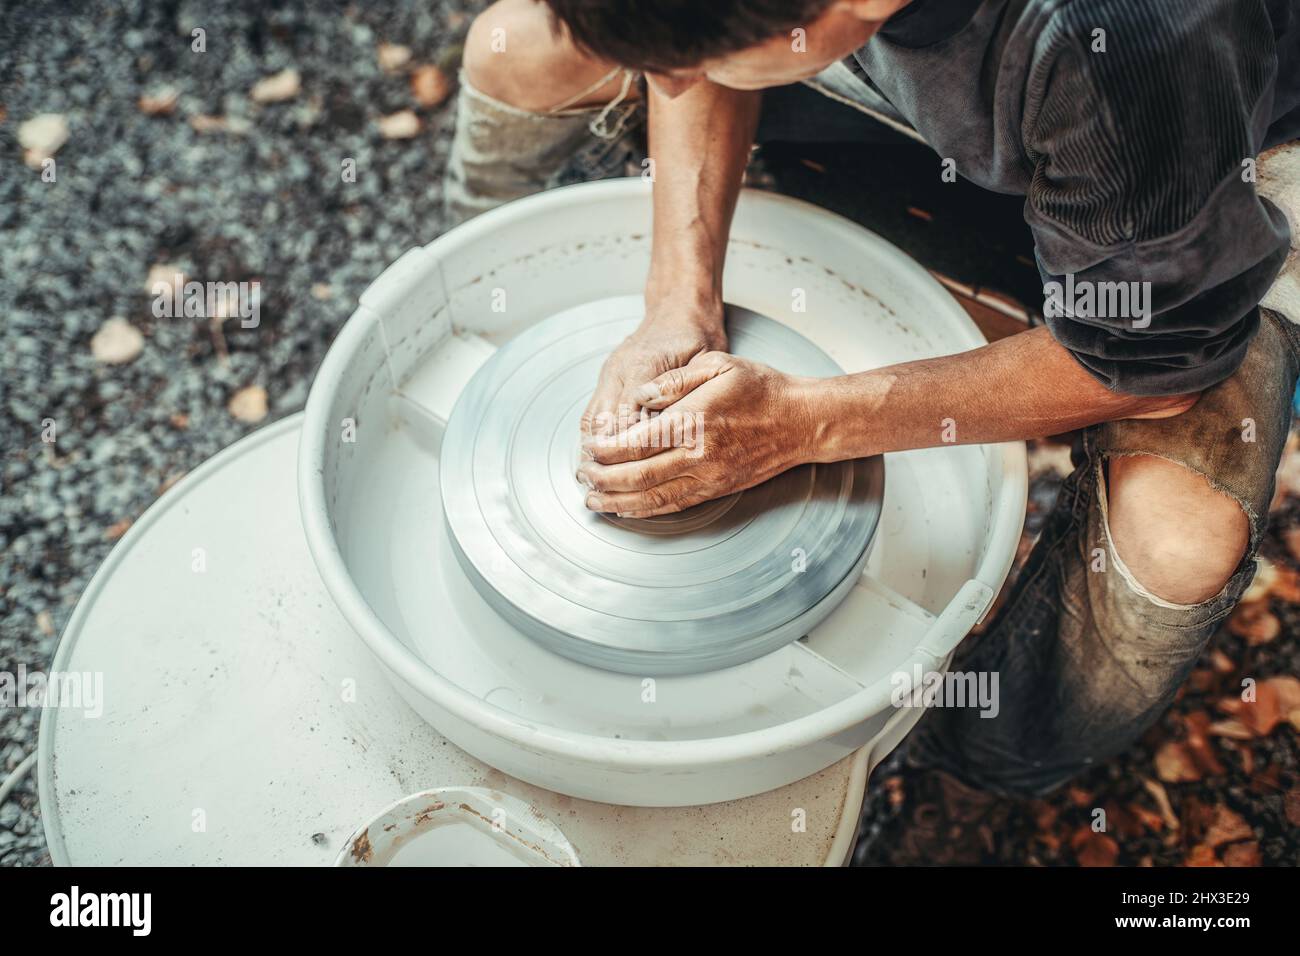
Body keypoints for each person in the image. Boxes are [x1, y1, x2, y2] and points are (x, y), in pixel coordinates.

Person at [443, 0, 1300, 826]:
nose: (669, 88)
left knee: (1179, 540)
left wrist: (805, 423)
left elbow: (1152, 361)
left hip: (1210, 156)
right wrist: (678, 297)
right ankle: (467, 309)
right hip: (906, 82)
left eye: (692, 67)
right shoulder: (783, 21)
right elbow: (705, 27)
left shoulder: (1127, 47)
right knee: (513, 47)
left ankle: (979, 761)